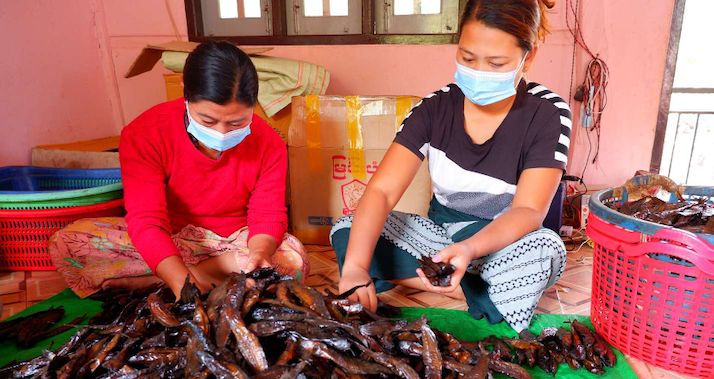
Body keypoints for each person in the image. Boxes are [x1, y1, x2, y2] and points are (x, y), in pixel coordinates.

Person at [333, 0, 569, 332]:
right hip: (439, 241)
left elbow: (529, 211)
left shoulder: (548, 114)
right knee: (348, 227)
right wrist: (356, 267)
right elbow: (383, 191)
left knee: (545, 250)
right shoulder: (434, 109)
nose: (478, 72)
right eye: (467, 58)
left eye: (496, 63)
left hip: (503, 244)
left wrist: (469, 249)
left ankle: (441, 279)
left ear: (527, 58)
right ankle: (471, 287)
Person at [49, 41, 308, 298]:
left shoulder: (268, 141)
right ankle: (184, 274)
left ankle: (157, 279)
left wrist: (259, 255)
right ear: (186, 95)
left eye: (237, 122)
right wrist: (181, 280)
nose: (221, 132)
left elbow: (267, 215)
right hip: (169, 238)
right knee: (68, 242)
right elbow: (146, 221)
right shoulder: (145, 133)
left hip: (234, 242)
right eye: (208, 120)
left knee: (290, 257)